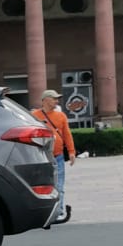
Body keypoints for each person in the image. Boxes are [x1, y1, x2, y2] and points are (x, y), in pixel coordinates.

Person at [33, 88, 76, 220]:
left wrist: (71, 152)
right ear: (45, 100)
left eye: (57, 99)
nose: (57, 101)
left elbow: (67, 134)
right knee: (42, 185)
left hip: (58, 155)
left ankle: (58, 211)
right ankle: (44, 211)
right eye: (54, 98)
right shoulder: (34, 116)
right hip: (41, 157)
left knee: (59, 185)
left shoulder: (61, 116)